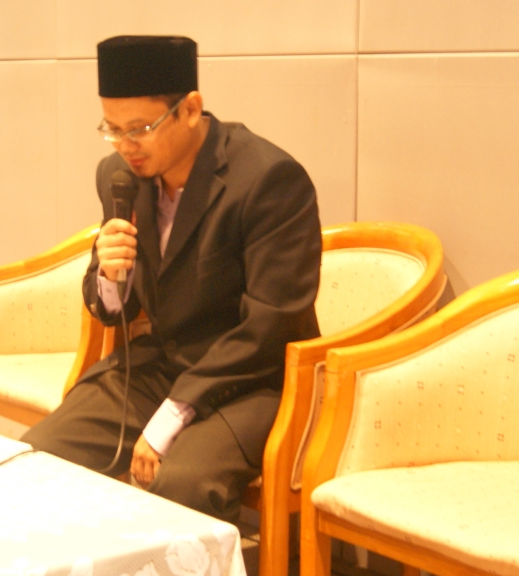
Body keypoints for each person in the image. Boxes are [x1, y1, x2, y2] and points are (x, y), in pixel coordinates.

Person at [22, 35, 322, 522]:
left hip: (251, 382)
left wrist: (172, 414)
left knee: (179, 486)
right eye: (112, 129)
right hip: (161, 366)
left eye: (140, 129)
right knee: (40, 458)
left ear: (190, 109)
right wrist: (110, 276)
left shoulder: (268, 180)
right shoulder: (118, 176)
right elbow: (113, 308)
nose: (126, 146)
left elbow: (270, 326)